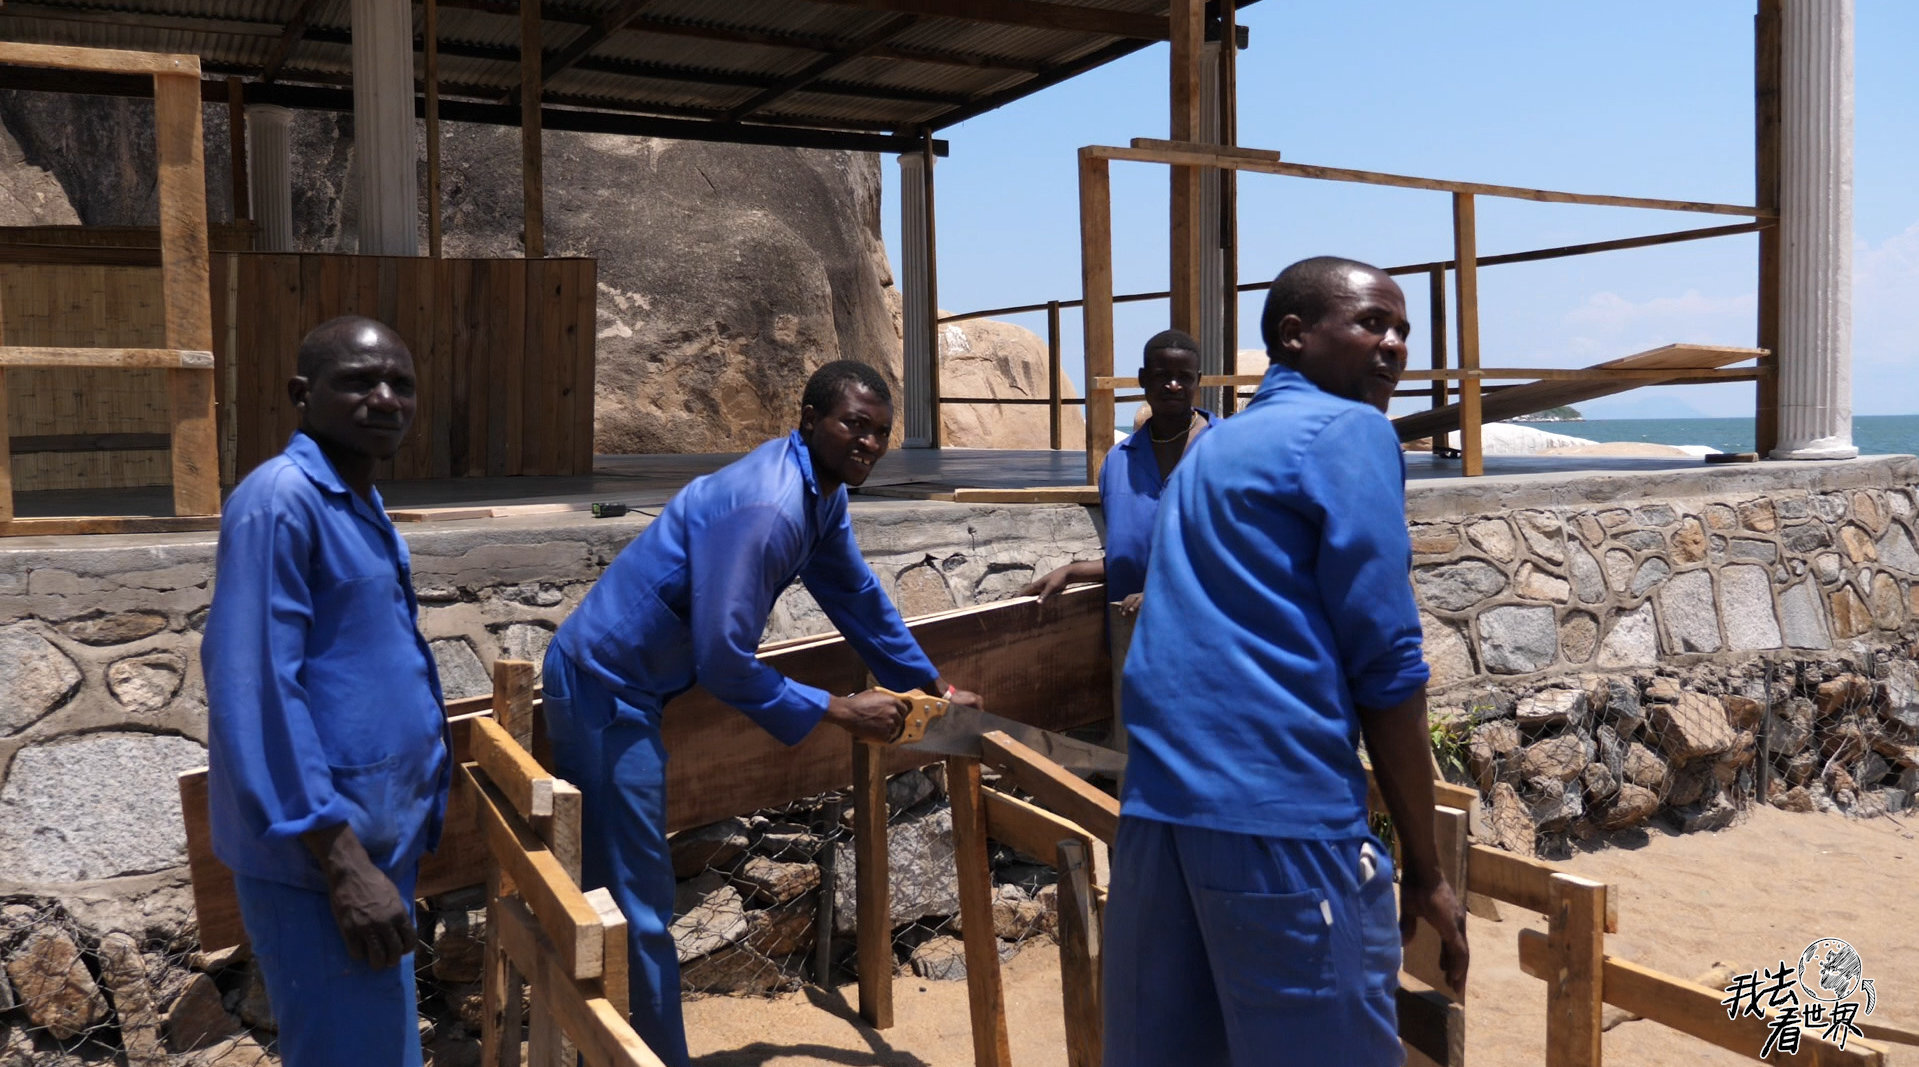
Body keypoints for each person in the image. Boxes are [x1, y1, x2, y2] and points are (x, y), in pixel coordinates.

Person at [543, 360, 983, 1067]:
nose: (867, 442)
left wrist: (934, 689)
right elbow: (723, 660)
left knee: (629, 891)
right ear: (807, 418)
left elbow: (857, 599)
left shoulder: (822, 491)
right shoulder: (771, 508)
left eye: (879, 431)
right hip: (605, 684)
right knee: (634, 899)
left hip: (648, 683)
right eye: (852, 425)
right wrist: (842, 710)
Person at [1102, 257, 1470, 1066]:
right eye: (1371, 322)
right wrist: (1424, 864)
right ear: (1293, 336)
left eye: (1401, 329)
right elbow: (1387, 664)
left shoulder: (1211, 448)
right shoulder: (1350, 432)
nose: (1394, 345)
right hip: (1279, 824)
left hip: (1158, 819)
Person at [203, 316, 447, 1067]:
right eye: (359, 381)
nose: (384, 398)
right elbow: (255, 687)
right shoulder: (280, 501)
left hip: (371, 849)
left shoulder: (353, 497)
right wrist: (339, 858)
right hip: (322, 859)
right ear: (301, 395)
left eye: (399, 384)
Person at [1022, 329, 1219, 619]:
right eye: (1163, 375)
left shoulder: (1228, 450)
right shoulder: (1118, 463)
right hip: (1130, 640)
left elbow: (1242, 555)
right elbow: (1129, 558)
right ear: (1143, 378)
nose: (1173, 385)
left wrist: (1166, 591)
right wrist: (1072, 571)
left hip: (1206, 636)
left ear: (1198, 381)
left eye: (1184, 377)